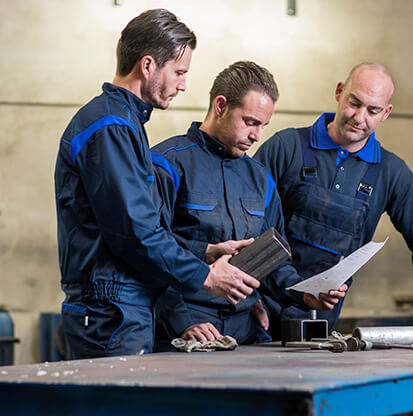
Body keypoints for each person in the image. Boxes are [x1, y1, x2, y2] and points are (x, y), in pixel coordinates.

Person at [54, 10, 259, 359]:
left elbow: (138, 226)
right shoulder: (111, 127)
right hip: (111, 311)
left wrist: (205, 252)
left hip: (122, 307)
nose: (182, 84)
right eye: (179, 72)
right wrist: (205, 276)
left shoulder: (122, 123)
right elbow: (134, 232)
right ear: (148, 65)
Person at [151, 61, 347, 344]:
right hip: (186, 329)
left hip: (246, 330)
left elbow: (273, 261)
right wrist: (181, 322)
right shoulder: (168, 163)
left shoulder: (260, 178)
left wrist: (304, 293)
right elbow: (148, 251)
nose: (256, 136)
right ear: (220, 106)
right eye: (250, 122)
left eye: (263, 126)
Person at [255, 62, 413, 335]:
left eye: (373, 111)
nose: (359, 117)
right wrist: (246, 298)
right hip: (256, 315)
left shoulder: (390, 172)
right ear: (339, 92)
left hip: (318, 327)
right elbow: (245, 226)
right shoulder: (286, 147)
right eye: (354, 103)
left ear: (386, 113)